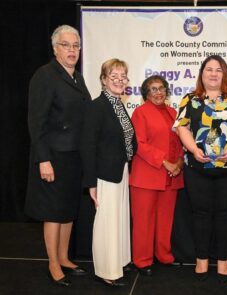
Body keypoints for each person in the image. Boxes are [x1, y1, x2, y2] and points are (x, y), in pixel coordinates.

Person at [174, 55, 227, 282]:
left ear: (224, 74)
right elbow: (182, 128)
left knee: (226, 215)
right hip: (197, 168)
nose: (214, 73)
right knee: (200, 215)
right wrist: (193, 150)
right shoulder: (189, 100)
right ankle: (201, 260)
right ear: (202, 74)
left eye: (218, 70)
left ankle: (224, 260)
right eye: (209, 69)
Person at [25, 25, 91, 286]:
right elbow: (35, 122)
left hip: (74, 156)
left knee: (67, 209)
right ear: (55, 48)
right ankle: (53, 263)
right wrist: (43, 159)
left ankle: (64, 257)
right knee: (53, 212)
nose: (72, 50)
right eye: (66, 45)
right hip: (52, 156)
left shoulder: (78, 77)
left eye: (76, 45)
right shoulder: (45, 76)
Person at [80, 58, 135, 287]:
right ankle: (105, 270)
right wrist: (91, 182)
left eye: (123, 77)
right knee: (106, 222)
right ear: (103, 80)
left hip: (120, 169)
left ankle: (118, 261)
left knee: (118, 220)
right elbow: (87, 145)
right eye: (114, 77)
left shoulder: (118, 104)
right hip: (104, 173)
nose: (120, 81)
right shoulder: (97, 106)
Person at [129, 75, 184, 276]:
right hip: (147, 176)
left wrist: (178, 163)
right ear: (146, 94)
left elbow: (181, 143)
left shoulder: (173, 112)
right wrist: (165, 162)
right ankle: (142, 261)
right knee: (144, 221)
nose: (158, 92)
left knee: (165, 219)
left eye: (161, 88)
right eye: (153, 89)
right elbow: (140, 145)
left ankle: (164, 256)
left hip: (172, 175)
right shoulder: (140, 113)